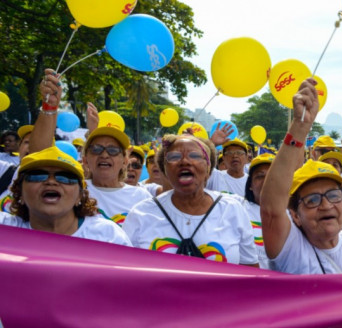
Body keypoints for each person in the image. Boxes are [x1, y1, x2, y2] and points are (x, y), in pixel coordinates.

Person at [260, 79, 342, 289]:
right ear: (295, 215)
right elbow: (271, 209)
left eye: (334, 196)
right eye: (312, 200)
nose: (326, 206)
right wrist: (300, 127)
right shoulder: (291, 248)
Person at [28, 69, 152, 226]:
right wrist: (49, 106)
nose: (104, 155)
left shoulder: (142, 197)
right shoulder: (74, 189)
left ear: (125, 160)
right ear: (85, 159)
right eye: (96, 149)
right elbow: (39, 157)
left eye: (113, 150)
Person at [123, 134, 258, 266]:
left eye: (194, 156)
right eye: (174, 157)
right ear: (165, 169)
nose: (185, 162)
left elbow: (250, 273)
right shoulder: (141, 214)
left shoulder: (232, 210)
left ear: (208, 169)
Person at [1, 146, 131, 245]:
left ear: (80, 196)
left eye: (65, 177)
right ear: (20, 193)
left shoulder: (109, 237)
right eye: (37, 176)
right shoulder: (5, 229)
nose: (51, 182)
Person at [242, 153, 275, 268]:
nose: (266, 181)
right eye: (260, 176)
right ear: (250, 185)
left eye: (272, 175)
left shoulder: (295, 214)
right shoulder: (238, 210)